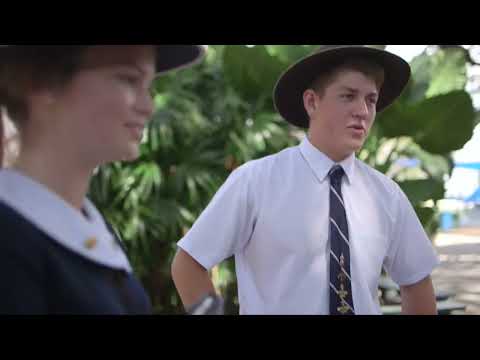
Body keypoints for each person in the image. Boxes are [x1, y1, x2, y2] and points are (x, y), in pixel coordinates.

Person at [171, 45, 439, 315]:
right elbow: (187, 265)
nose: (363, 111)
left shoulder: (386, 195)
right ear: (312, 102)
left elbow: (417, 281)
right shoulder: (255, 182)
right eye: (348, 96)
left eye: (371, 100)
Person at [0, 45, 205, 314]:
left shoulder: (92, 228)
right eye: (129, 79)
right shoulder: (10, 241)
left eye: (148, 86)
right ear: (42, 82)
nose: (148, 106)